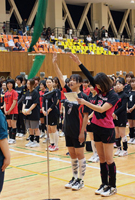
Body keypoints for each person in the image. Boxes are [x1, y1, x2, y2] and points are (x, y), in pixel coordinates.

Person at [69, 53, 118, 196]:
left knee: (109, 159)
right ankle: (104, 184)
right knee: (101, 158)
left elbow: (102, 109)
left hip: (107, 130)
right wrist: (79, 63)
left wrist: (85, 102)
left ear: (103, 84)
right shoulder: (99, 90)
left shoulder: (112, 95)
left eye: (97, 85)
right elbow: (89, 77)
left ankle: (112, 186)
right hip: (96, 127)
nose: (95, 87)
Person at [53, 53, 89, 191]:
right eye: (71, 80)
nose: (71, 82)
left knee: (80, 155)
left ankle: (81, 179)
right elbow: (60, 78)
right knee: (72, 155)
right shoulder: (68, 93)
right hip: (68, 129)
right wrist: (55, 64)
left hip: (79, 130)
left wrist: (82, 133)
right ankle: (74, 177)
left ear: (80, 83)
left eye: (74, 80)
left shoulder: (83, 97)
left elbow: (85, 116)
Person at [42, 78, 59, 151]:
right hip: (46, 112)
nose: (48, 83)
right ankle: (52, 144)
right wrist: (43, 110)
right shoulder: (46, 92)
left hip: (53, 112)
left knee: (53, 128)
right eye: (47, 82)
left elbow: (55, 102)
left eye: (50, 82)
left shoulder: (55, 91)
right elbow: (43, 102)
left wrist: (49, 110)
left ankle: (56, 145)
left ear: (53, 83)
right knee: (49, 129)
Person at [113, 78, 128, 157]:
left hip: (121, 116)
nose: (118, 86)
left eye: (120, 84)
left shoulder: (125, 95)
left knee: (122, 133)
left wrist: (115, 113)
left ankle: (125, 149)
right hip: (115, 116)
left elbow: (123, 106)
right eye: (117, 84)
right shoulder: (115, 95)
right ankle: (119, 148)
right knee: (117, 133)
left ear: (124, 86)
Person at [23, 79, 40, 148]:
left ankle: (37, 141)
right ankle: (31, 140)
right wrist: (23, 110)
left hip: (34, 112)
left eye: (29, 84)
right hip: (27, 113)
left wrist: (29, 110)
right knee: (30, 128)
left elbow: (35, 103)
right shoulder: (27, 92)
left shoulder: (35, 92)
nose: (27, 85)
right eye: (27, 84)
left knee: (35, 127)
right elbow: (24, 102)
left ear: (33, 85)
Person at [87, 84, 99, 163]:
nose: (91, 88)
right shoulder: (89, 96)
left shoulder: (98, 97)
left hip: (95, 119)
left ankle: (98, 154)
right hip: (89, 119)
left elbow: (96, 109)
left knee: (96, 138)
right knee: (91, 138)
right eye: (90, 86)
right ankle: (94, 153)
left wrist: (89, 117)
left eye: (93, 86)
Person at [4, 79, 18, 144]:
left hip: (13, 111)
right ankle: (10, 138)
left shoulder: (14, 92)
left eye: (10, 83)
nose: (9, 85)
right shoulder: (6, 93)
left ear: (13, 84)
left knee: (13, 125)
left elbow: (14, 102)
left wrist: (9, 110)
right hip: (7, 111)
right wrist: (5, 110)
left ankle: (13, 138)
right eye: (8, 83)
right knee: (9, 125)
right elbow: (4, 102)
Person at [127, 78, 135, 144]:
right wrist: (127, 108)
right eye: (131, 82)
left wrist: (132, 108)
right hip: (128, 109)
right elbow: (126, 100)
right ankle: (131, 137)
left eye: (134, 82)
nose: (132, 83)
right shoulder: (128, 91)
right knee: (130, 124)